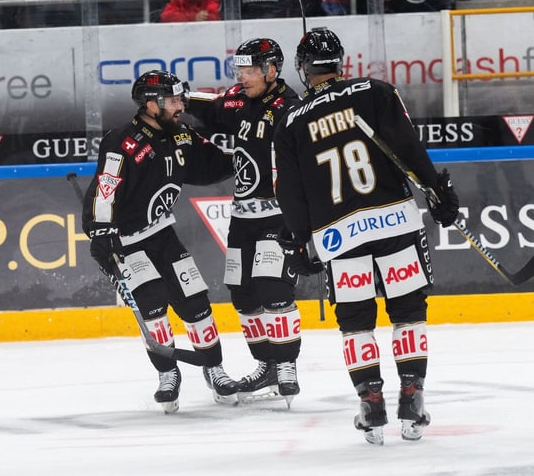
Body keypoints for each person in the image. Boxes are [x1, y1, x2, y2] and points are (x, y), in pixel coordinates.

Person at [273, 28, 460, 444]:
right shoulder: (375, 91)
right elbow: (409, 148)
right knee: (409, 311)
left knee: (356, 322)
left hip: (339, 237)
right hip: (394, 222)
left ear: (303, 69)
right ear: (340, 62)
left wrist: (302, 240)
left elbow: (289, 191)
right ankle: (412, 397)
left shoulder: (291, 121)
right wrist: (437, 191)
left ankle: (370, 403)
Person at [82, 70, 238, 413]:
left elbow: (208, 165)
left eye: (181, 99)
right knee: (152, 306)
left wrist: (243, 158)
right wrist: (101, 233)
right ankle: (168, 374)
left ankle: (215, 368)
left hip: (162, 232)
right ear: (151, 105)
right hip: (128, 241)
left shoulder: (179, 134)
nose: (181, 105)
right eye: (174, 101)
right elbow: (104, 191)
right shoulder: (122, 142)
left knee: (195, 301)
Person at [187, 38, 305, 407]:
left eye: (251, 70)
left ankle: (286, 365)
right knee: (243, 292)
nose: (243, 76)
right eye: (240, 70)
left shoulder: (293, 108)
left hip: (279, 214)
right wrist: (175, 96)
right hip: (242, 216)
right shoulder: (238, 99)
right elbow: (209, 106)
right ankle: (267, 364)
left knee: (273, 288)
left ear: (272, 70)